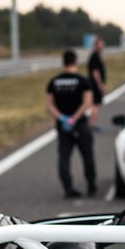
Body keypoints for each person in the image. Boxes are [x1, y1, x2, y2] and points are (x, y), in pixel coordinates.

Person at [46, 50, 97, 199]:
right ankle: (91, 185)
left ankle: (68, 188)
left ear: (63, 63)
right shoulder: (83, 81)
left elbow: (49, 105)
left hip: (63, 126)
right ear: (75, 62)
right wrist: (74, 118)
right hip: (80, 124)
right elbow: (87, 102)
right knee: (87, 155)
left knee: (64, 157)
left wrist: (63, 118)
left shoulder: (54, 82)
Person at [87, 36, 107, 128]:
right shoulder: (95, 56)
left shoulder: (97, 56)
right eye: (101, 43)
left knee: (96, 105)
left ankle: (92, 123)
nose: (102, 45)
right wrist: (100, 85)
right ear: (97, 45)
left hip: (94, 84)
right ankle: (93, 124)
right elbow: (95, 72)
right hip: (95, 85)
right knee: (96, 105)